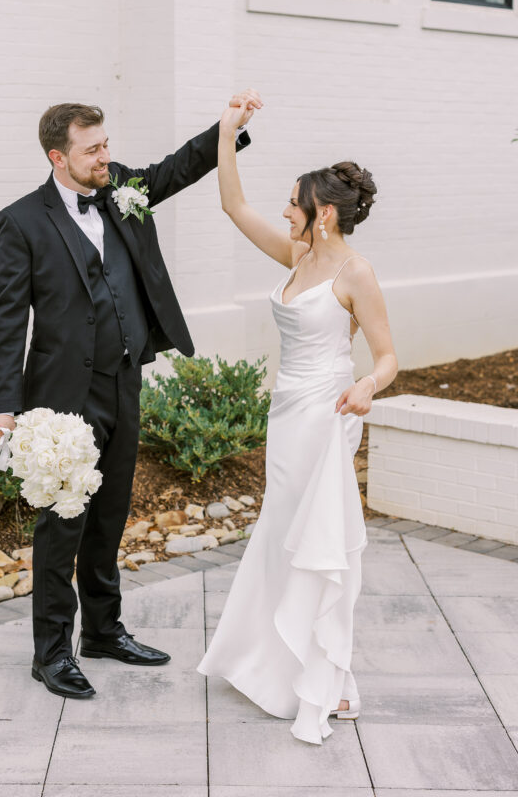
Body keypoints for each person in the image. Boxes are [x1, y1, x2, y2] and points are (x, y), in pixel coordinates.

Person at [0, 101, 251, 699]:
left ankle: (103, 631)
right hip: (58, 400)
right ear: (59, 157)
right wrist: (2, 404)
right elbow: (6, 322)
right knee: (62, 523)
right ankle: (51, 652)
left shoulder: (122, 187)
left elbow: (179, 168)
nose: (106, 157)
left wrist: (227, 129)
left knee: (110, 513)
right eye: (92, 150)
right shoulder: (21, 222)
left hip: (123, 382)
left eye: (106, 144)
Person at [197, 88, 398, 745]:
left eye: (295, 202)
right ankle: (273, 661)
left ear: (326, 214)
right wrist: (227, 132)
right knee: (282, 532)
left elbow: (388, 356)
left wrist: (368, 385)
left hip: (328, 413)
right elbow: (233, 204)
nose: (285, 210)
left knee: (317, 541)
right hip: (286, 414)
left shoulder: (355, 273)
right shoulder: (296, 256)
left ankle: (329, 676)